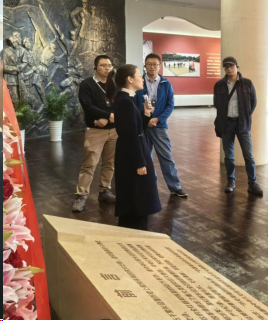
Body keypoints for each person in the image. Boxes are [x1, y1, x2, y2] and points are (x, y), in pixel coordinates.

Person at [105, 64, 161, 230]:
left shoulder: (127, 99)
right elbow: (130, 135)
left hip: (131, 151)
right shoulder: (125, 102)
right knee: (137, 197)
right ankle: (136, 233)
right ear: (129, 79)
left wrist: (145, 114)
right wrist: (140, 162)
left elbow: (135, 128)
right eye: (139, 76)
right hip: (133, 154)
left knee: (134, 196)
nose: (142, 79)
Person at [135, 53, 187, 198]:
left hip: (159, 126)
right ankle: (149, 186)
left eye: (155, 64)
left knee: (166, 156)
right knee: (145, 157)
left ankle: (175, 187)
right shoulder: (139, 83)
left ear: (159, 66)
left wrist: (158, 119)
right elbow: (134, 104)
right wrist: (144, 118)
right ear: (145, 66)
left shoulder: (166, 83)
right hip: (143, 125)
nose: (152, 67)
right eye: (149, 64)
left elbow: (170, 105)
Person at [72, 55, 117, 212]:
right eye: (103, 65)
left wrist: (108, 118)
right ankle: (81, 195)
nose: (107, 68)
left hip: (114, 130)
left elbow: (119, 103)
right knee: (89, 164)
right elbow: (87, 106)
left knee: (110, 163)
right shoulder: (87, 84)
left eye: (109, 65)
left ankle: (105, 190)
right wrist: (107, 116)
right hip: (95, 130)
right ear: (95, 67)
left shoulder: (115, 84)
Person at [213, 56, 263, 195]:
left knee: (248, 155)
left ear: (237, 67)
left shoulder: (247, 83)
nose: (229, 69)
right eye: (226, 67)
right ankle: (231, 181)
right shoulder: (219, 85)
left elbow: (253, 102)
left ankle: (252, 183)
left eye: (231, 66)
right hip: (226, 124)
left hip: (242, 124)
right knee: (229, 155)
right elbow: (217, 103)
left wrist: (245, 115)